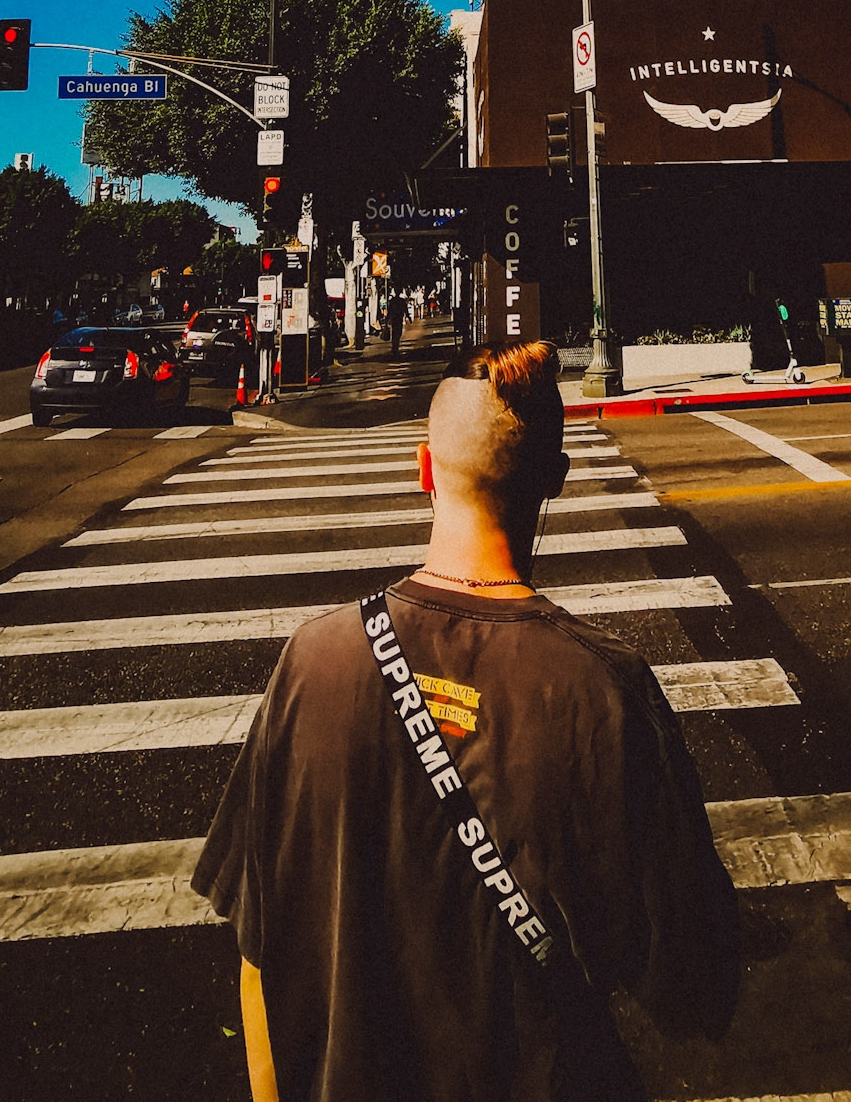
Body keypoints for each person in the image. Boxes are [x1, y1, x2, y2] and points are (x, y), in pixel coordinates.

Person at [193, 340, 740, 1102]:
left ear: (423, 469)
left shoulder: (311, 663)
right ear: (555, 478)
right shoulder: (606, 692)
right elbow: (694, 990)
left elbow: (257, 954)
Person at [386, 288, 407, 355]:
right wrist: (408, 317)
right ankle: (395, 346)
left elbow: (389, 310)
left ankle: (394, 346)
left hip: (394, 319)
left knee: (394, 332)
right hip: (398, 318)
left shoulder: (392, 301)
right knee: (398, 333)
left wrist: (387, 319)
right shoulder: (401, 301)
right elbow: (405, 309)